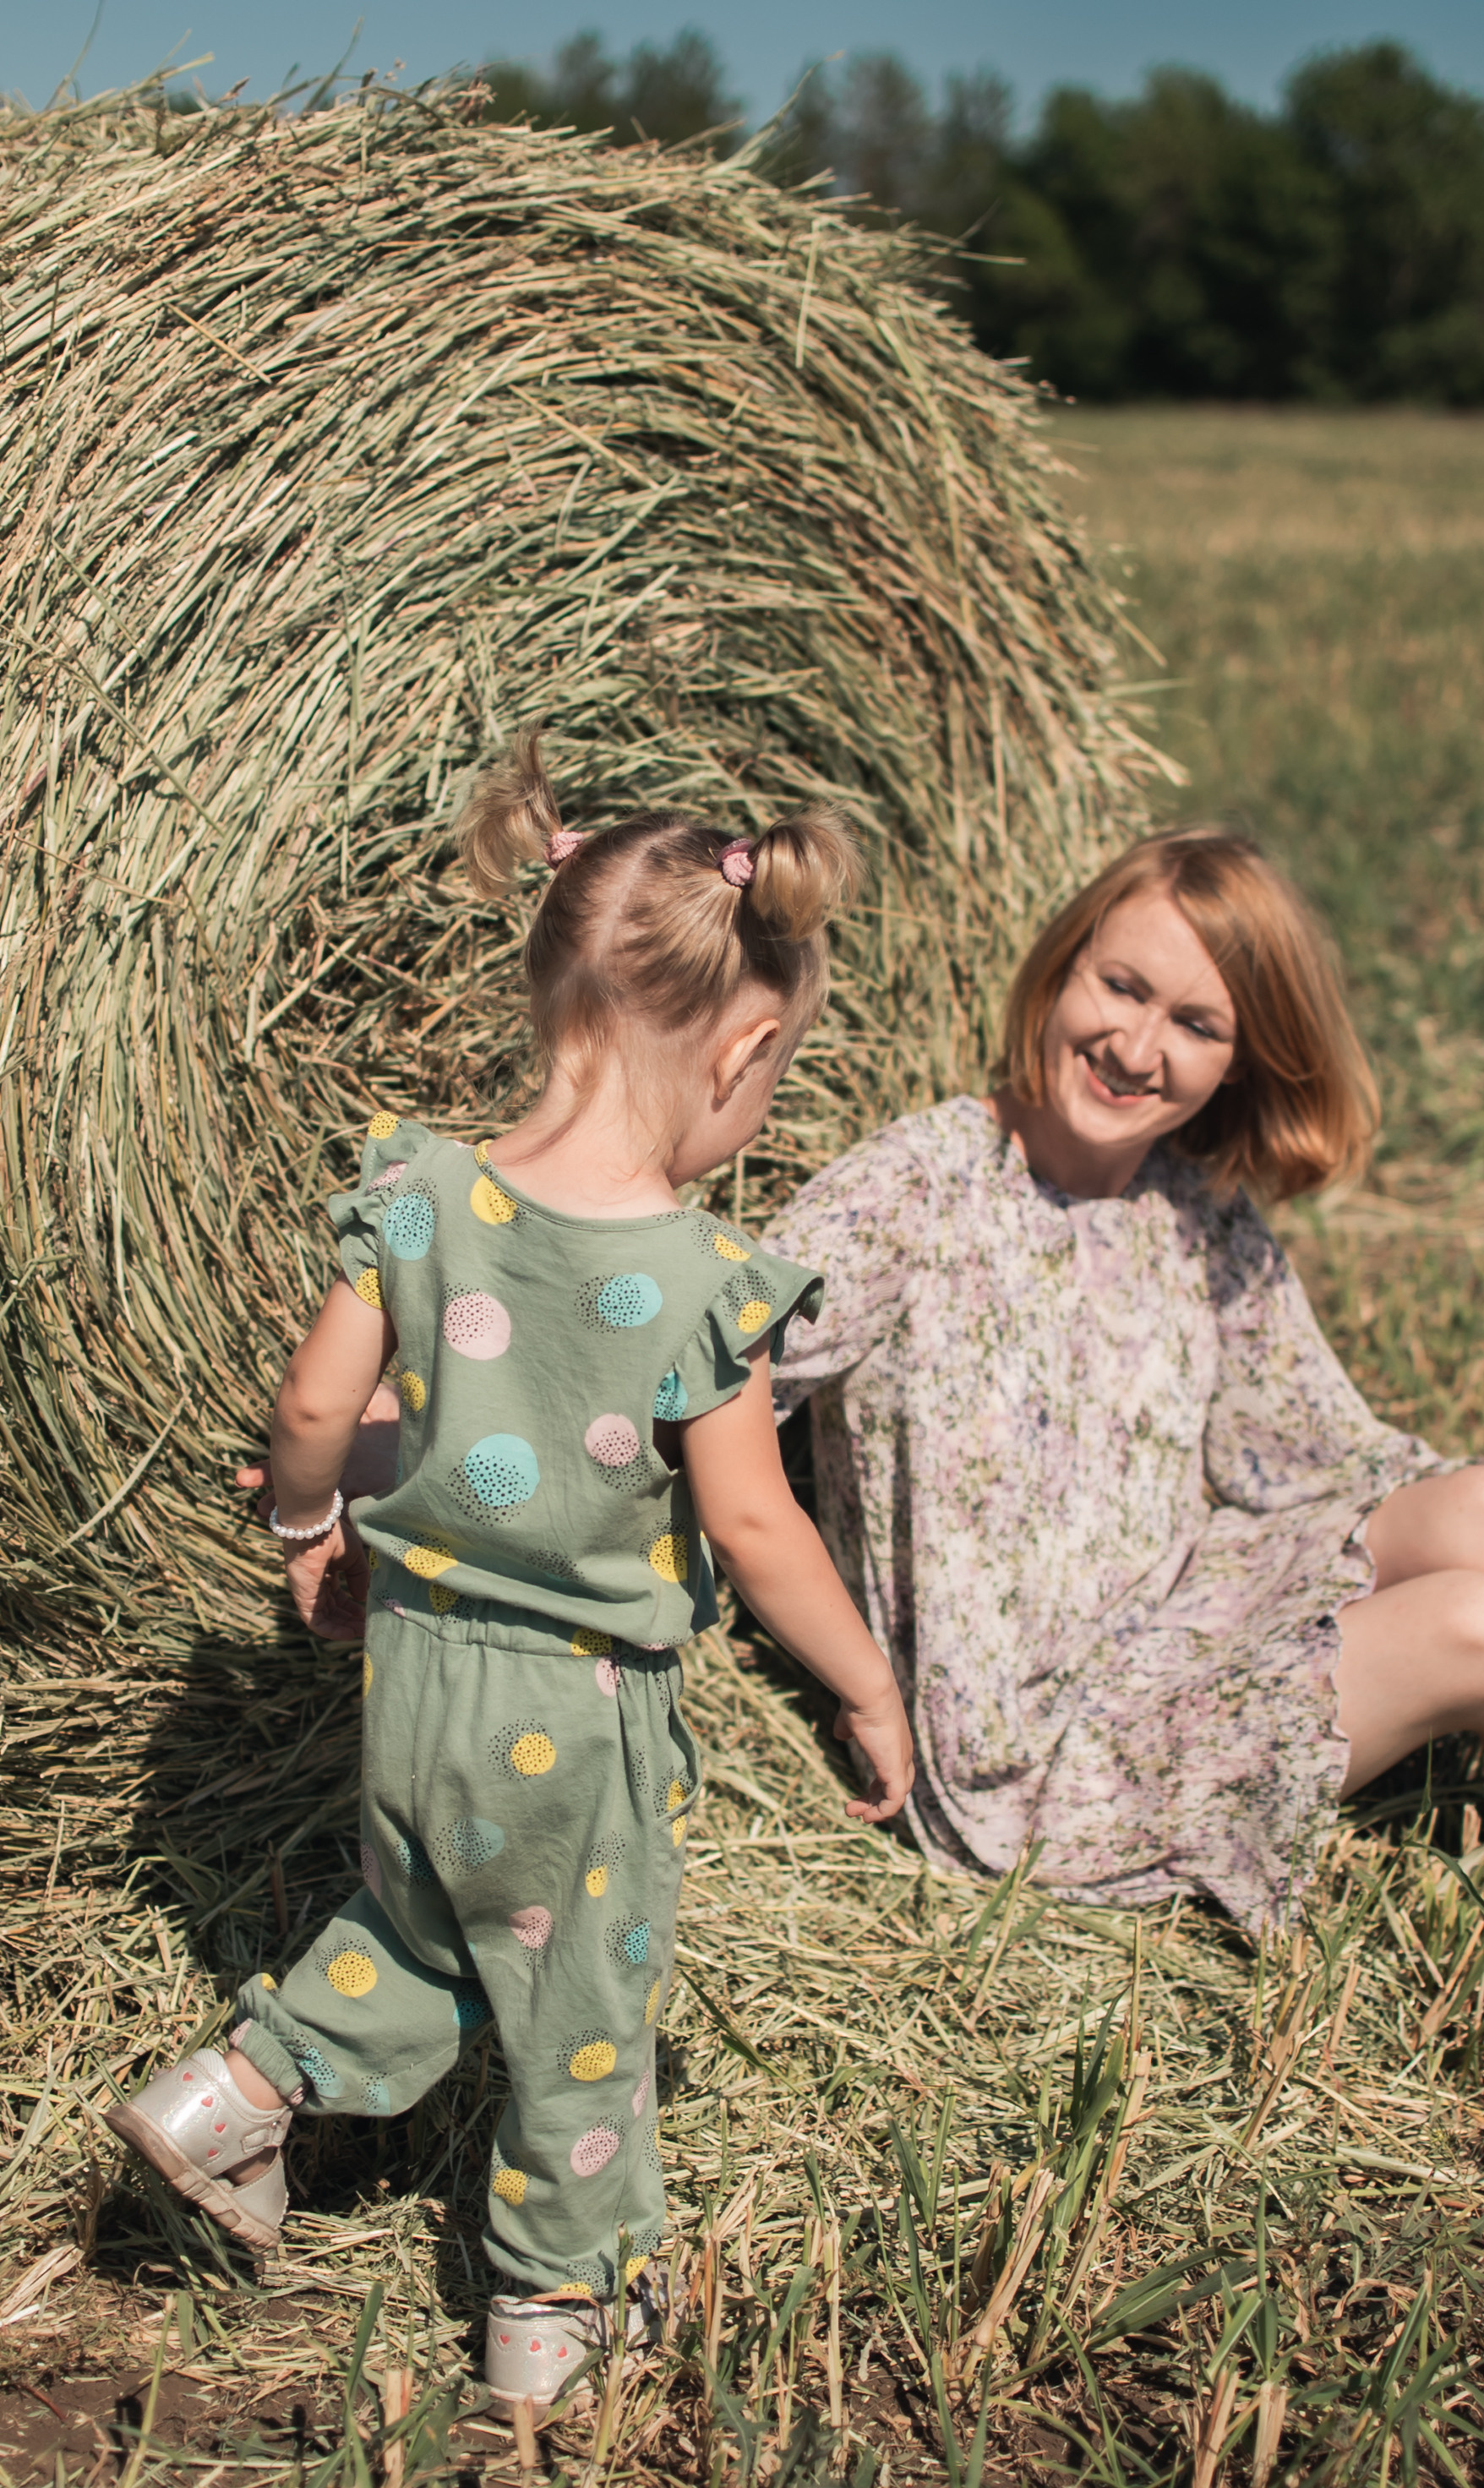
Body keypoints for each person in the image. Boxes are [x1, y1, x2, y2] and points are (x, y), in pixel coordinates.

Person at [103, 745, 914, 2420]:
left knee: (419, 1925)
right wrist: (867, 1679)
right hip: (576, 1706)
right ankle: (559, 2305)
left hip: (417, 1676)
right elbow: (759, 1533)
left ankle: (233, 2089)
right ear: (745, 1051)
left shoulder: (419, 1198)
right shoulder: (705, 1282)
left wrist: (307, 1534)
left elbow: (318, 1409)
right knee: (575, 2007)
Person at [762, 826, 1484, 1927]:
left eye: (1195, 1025)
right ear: (1063, 963)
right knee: (1482, 1624)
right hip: (1044, 1753)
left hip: (1193, 1610)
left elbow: (1317, 1454)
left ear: (1240, 1059)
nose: (1138, 1048)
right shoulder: (920, 1186)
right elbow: (717, 1386)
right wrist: (852, 1671)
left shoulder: (1195, 1204)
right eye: (1121, 987)